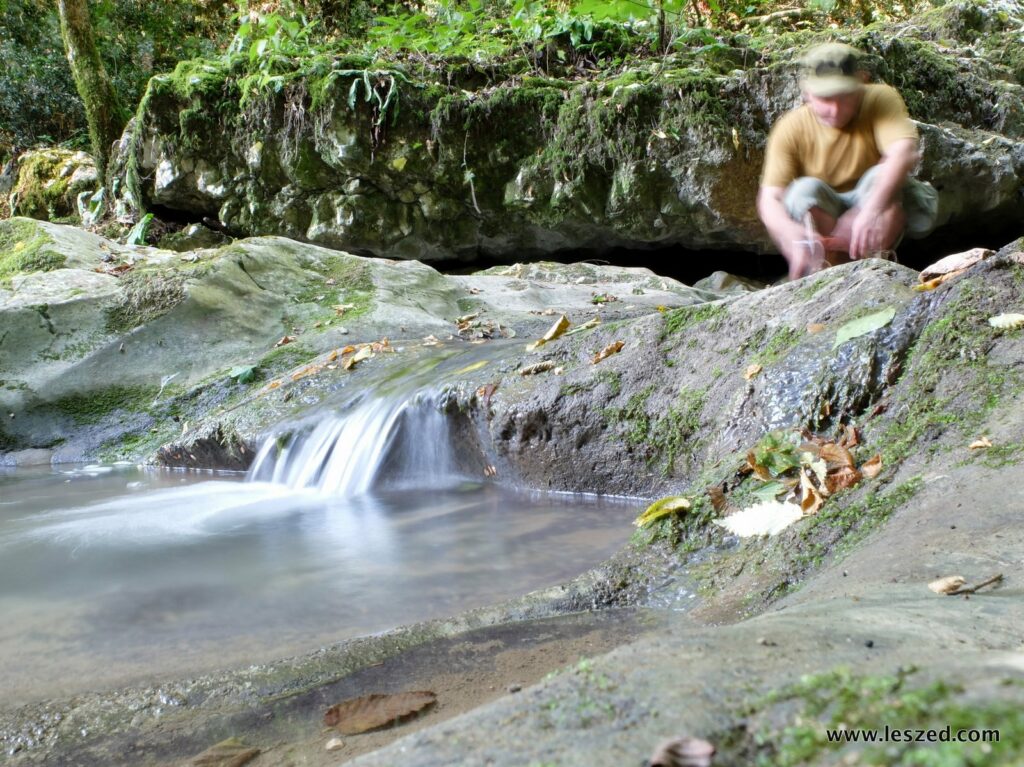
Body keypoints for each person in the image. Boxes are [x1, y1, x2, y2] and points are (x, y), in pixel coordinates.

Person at [757, 43, 938, 280]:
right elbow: (770, 198)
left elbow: (903, 152)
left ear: (861, 84)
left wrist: (867, 209)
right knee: (802, 191)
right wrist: (790, 233)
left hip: (877, 203)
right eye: (824, 98)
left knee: (882, 177)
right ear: (807, 94)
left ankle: (874, 266)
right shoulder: (790, 127)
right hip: (825, 209)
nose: (835, 109)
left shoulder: (880, 98)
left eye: (844, 97)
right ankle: (826, 270)